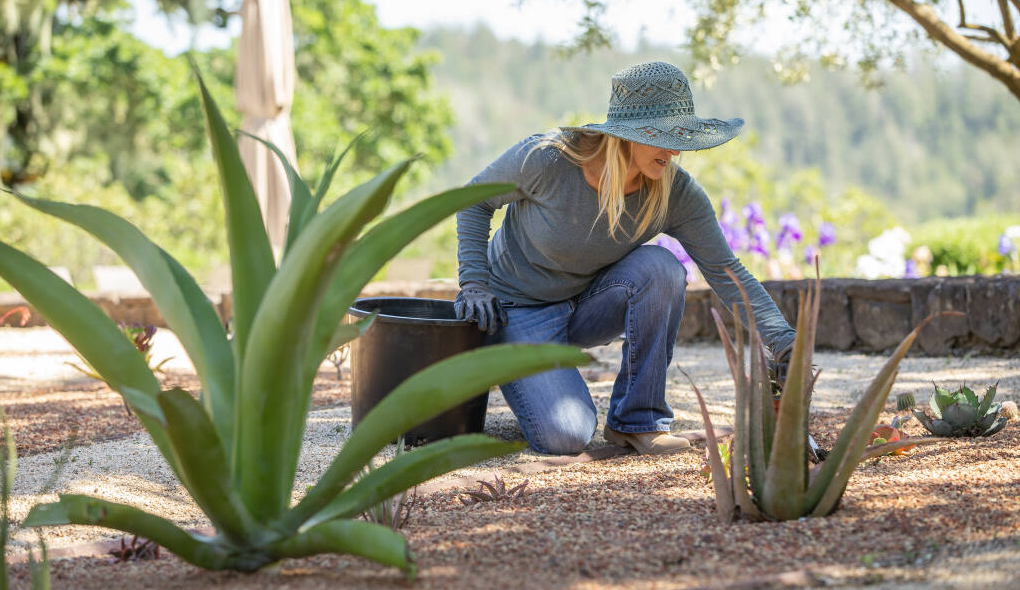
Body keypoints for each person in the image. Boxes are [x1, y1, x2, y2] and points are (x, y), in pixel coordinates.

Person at [454, 61, 795, 456]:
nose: (676, 149)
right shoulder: (547, 160)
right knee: (566, 436)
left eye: (681, 134)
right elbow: (473, 201)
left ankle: (637, 422)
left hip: (588, 304)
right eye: (665, 135)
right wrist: (474, 283)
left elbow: (726, 270)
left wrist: (785, 342)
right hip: (518, 307)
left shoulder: (675, 193)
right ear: (628, 135)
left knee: (662, 268)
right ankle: (511, 361)